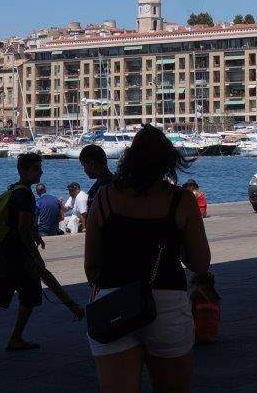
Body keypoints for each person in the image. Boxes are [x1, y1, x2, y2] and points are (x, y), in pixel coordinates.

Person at [85, 125, 211, 392]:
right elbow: (200, 264)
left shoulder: (104, 198)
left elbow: (91, 265)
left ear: (129, 159)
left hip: (113, 302)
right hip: (166, 303)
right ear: (169, 161)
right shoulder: (182, 200)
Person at [0, 153, 83, 353]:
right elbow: (23, 228)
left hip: (3, 250)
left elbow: (18, 223)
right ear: (24, 171)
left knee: (7, 293)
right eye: (36, 169)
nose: (41, 172)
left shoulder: (15, 190)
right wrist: (36, 255)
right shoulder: (25, 195)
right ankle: (5, 334)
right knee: (25, 294)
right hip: (17, 254)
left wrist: (36, 234)